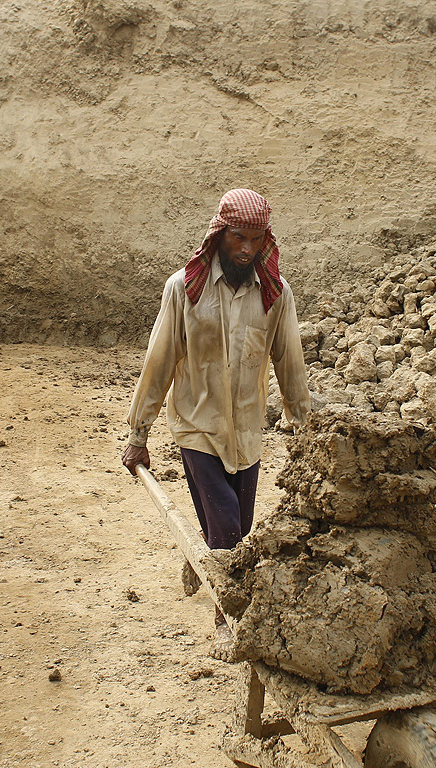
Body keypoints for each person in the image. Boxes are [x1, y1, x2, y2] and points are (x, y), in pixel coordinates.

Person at [121, 188, 311, 646]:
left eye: (256, 240)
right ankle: (230, 620)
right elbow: (160, 359)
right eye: (238, 238)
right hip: (197, 425)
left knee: (240, 528)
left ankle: (201, 558)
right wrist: (138, 432)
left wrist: (303, 428)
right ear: (219, 234)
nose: (247, 249)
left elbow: (289, 360)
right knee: (227, 525)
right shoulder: (183, 289)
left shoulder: (275, 294)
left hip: (248, 430)